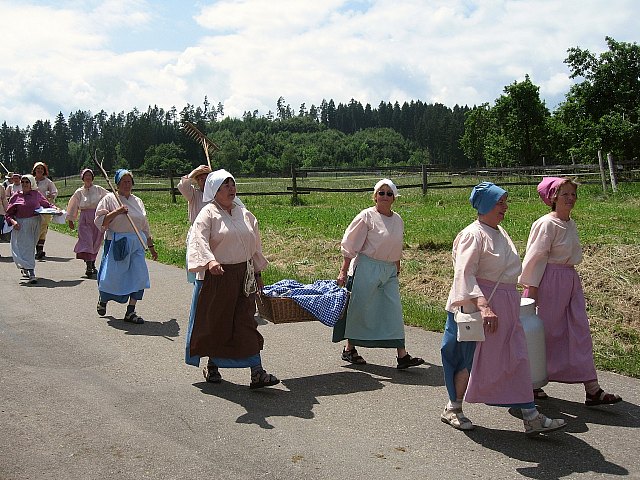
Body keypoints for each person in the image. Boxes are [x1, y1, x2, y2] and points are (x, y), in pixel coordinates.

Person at [440, 182, 567, 436]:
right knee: (469, 359)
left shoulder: (499, 232)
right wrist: (484, 306)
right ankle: (453, 407)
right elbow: (464, 273)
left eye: (505, 202)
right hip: (479, 309)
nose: (505, 207)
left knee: (516, 358)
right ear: (486, 204)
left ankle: (530, 415)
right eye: (501, 202)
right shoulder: (472, 234)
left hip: (506, 307)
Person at [520, 177, 622, 406]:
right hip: (548, 282)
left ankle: (592, 389)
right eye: (564, 194)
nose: (570, 198)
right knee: (542, 334)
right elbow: (535, 259)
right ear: (553, 198)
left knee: (579, 331)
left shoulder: (570, 223)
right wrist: (532, 294)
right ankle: (530, 383)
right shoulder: (546, 224)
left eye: (573, 194)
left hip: (569, 281)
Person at [186, 169, 279, 389]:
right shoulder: (207, 213)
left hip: (243, 275)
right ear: (214, 190)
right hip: (218, 277)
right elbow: (198, 240)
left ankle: (257, 372)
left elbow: (254, 245)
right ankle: (212, 365)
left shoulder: (244, 213)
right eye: (225, 185)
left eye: (232, 184)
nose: (231, 188)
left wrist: (257, 273)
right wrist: (209, 261)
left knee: (246, 321)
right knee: (218, 323)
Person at [334, 178, 425, 369]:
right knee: (360, 309)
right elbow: (350, 244)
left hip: (389, 269)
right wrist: (343, 270)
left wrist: (397, 265)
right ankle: (349, 348)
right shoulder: (366, 217)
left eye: (389, 193)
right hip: (367, 267)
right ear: (375, 196)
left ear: (394, 198)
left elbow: (395, 244)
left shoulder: (397, 219)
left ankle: (402, 355)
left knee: (393, 310)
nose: (385, 196)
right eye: (381, 193)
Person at [94, 169, 158, 323]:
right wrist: (117, 211)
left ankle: (130, 311)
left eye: (129, 181)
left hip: (136, 243)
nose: (127, 184)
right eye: (124, 181)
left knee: (138, 276)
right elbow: (100, 221)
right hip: (117, 242)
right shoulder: (109, 199)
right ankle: (103, 299)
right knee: (112, 276)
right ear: (117, 184)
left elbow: (144, 225)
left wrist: (151, 245)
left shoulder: (138, 201)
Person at [5, 175, 60, 283]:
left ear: (32, 184)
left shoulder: (36, 194)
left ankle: (27, 267)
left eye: (27, 182)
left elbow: (47, 204)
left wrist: (56, 209)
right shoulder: (16, 196)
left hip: (35, 223)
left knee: (30, 246)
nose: (24, 184)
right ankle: (31, 272)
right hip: (21, 225)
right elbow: (9, 214)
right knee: (24, 248)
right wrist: (14, 222)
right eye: (23, 182)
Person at [65, 168, 109, 277]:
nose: (88, 177)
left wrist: (109, 214)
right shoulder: (79, 192)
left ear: (92, 177)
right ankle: (89, 265)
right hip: (84, 218)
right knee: (87, 241)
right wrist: (71, 219)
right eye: (86, 176)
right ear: (83, 178)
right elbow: (73, 205)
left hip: (97, 217)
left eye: (90, 175)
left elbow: (109, 199)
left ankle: (92, 263)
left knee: (96, 241)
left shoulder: (99, 189)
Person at [177, 164, 211, 283]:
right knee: (198, 270)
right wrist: (195, 172)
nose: (203, 181)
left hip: (213, 234)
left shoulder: (216, 195)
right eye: (200, 179)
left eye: (206, 178)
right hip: (197, 234)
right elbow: (182, 186)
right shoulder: (193, 195)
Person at [32, 162, 58, 259]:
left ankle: (40, 250)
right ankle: (34, 248)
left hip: (45, 208)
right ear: (34, 170)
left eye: (41, 169)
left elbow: (54, 191)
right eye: (37, 168)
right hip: (33, 208)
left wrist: (51, 195)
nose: (39, 170)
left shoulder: (48, 182)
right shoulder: (31, 180)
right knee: (34, 227)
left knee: (43, 228)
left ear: (44, 171)